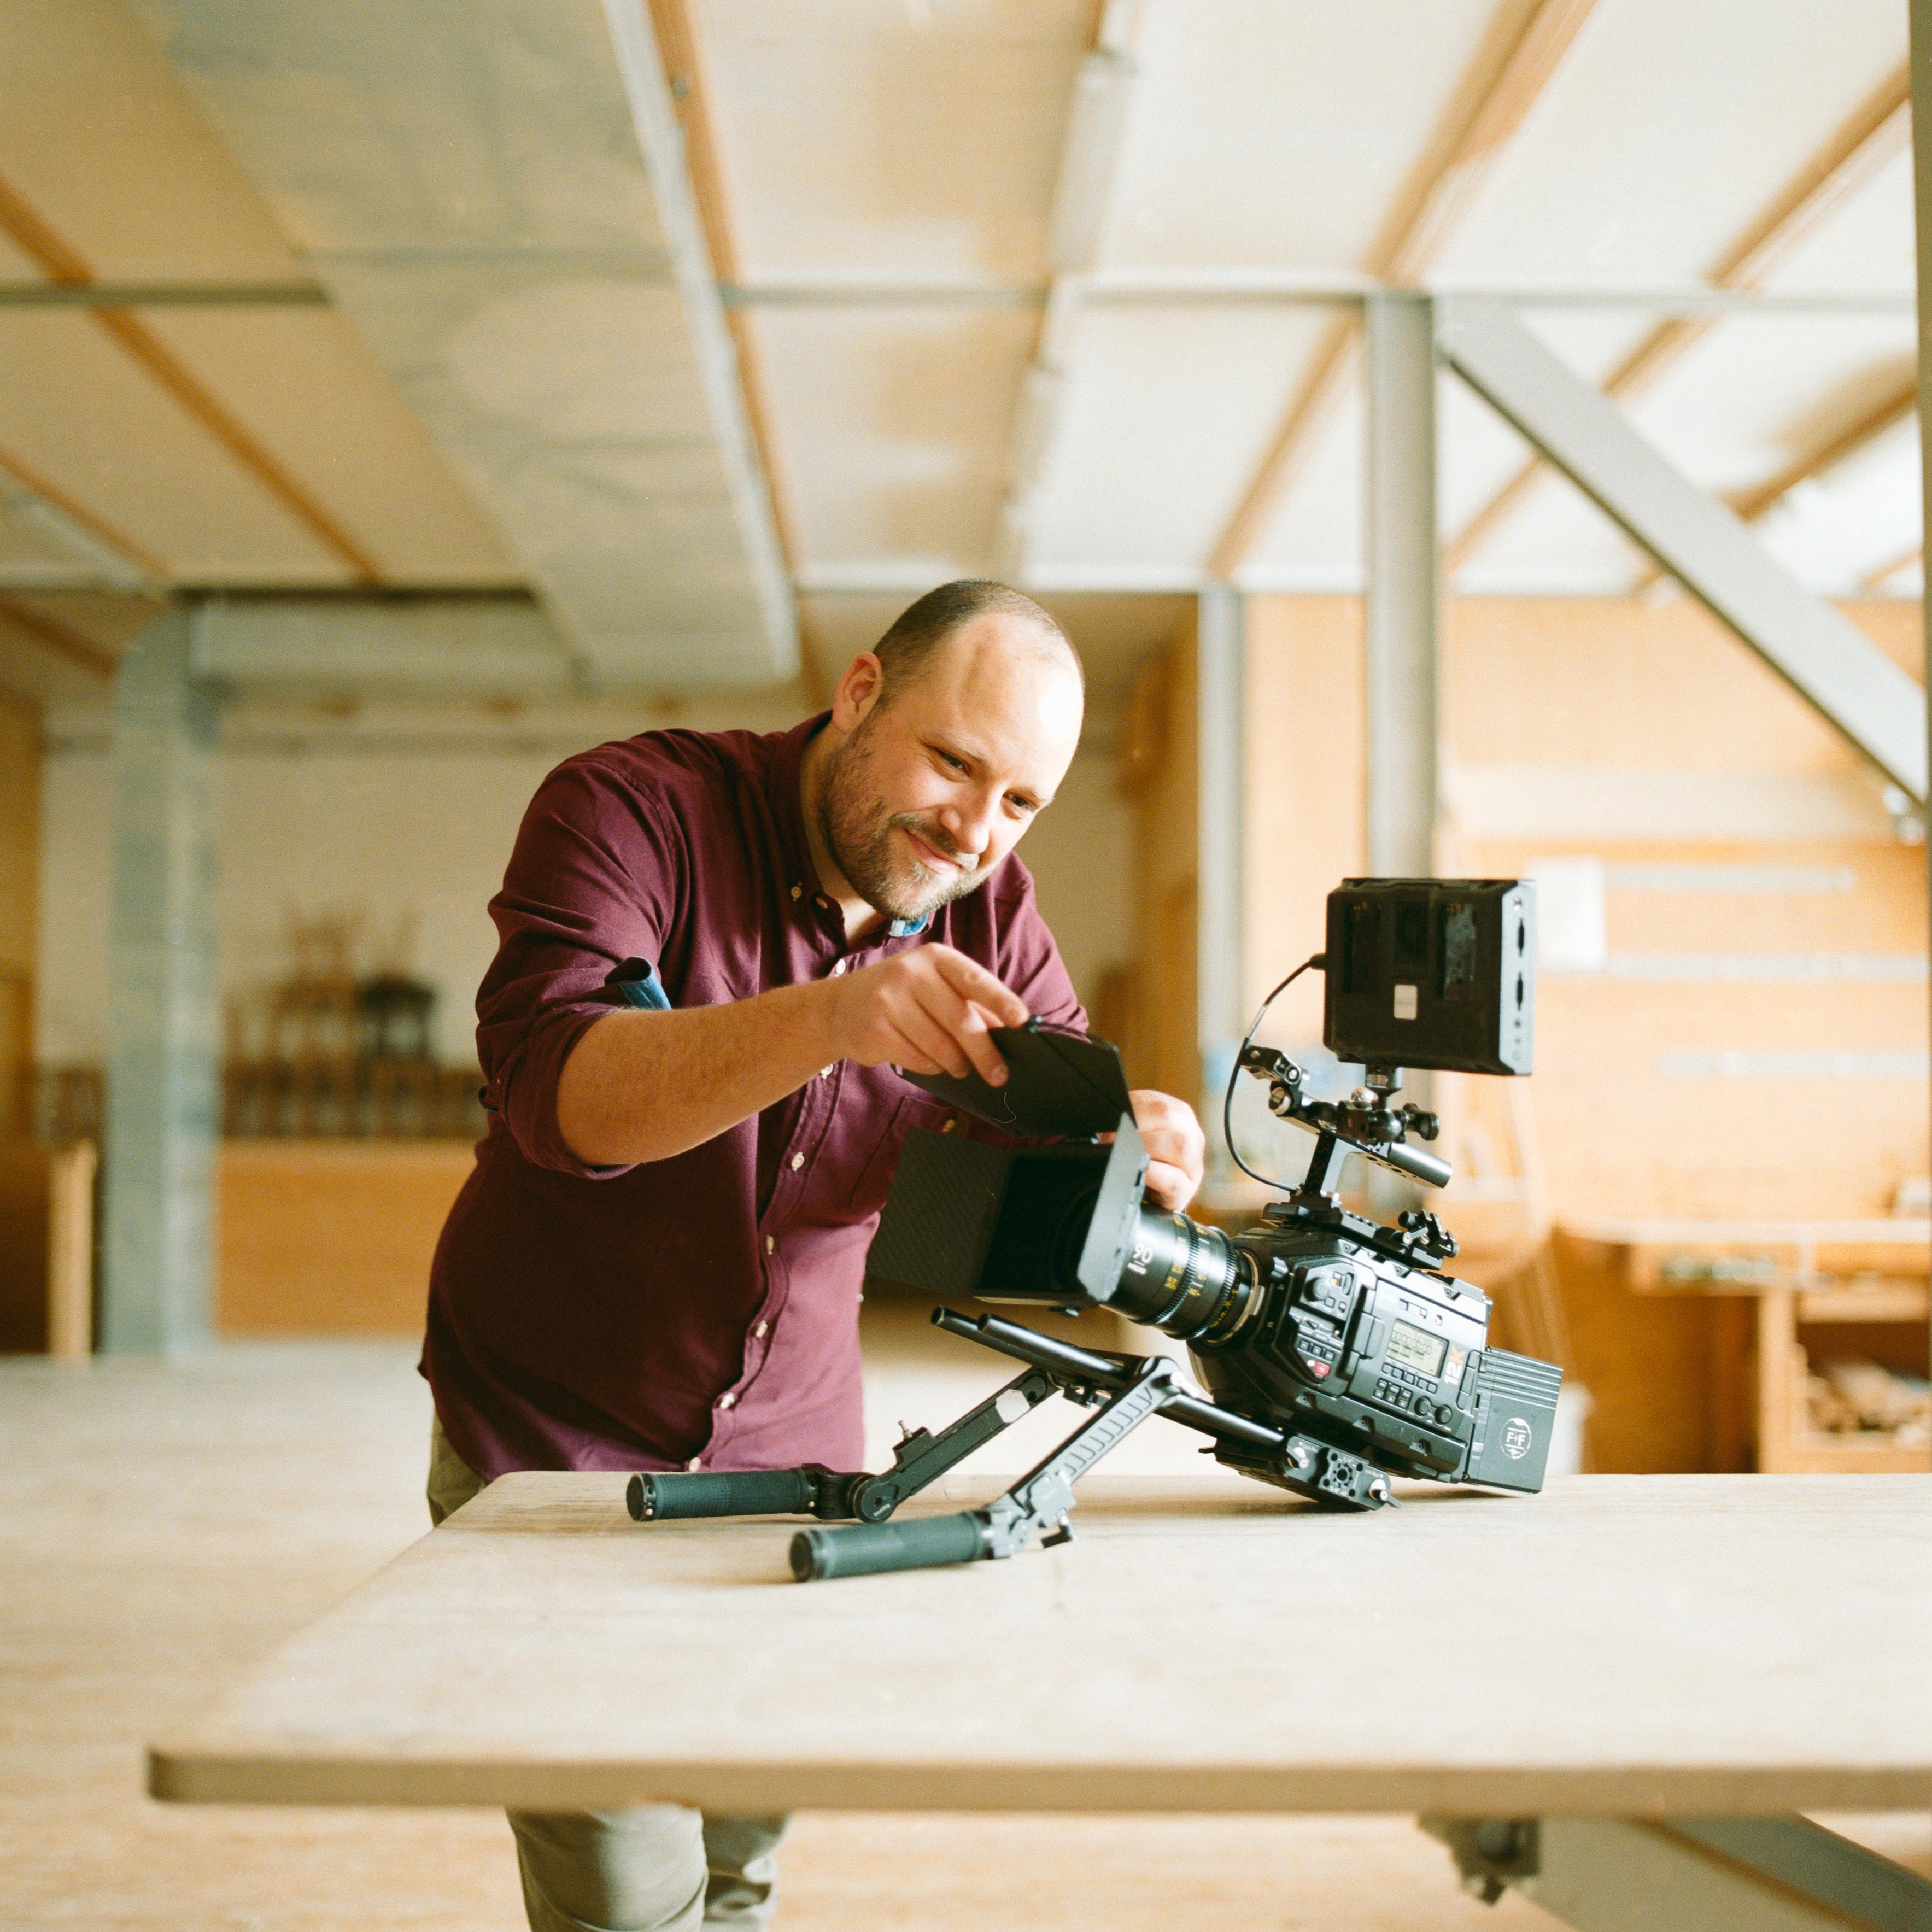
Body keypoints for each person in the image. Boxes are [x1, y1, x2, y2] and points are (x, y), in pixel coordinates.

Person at [419, 579, 1205, 1931]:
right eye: (955, 763)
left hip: (802, 1456)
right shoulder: (629, 811)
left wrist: (1139, 1155)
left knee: (743, 1870)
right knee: (626, 1897)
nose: (975, 832)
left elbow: (1050, 1170)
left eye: (1021, 804)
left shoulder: (992, 909)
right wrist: (833, 1016)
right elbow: (558, 1092)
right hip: (556, 1440)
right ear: (858, 694)